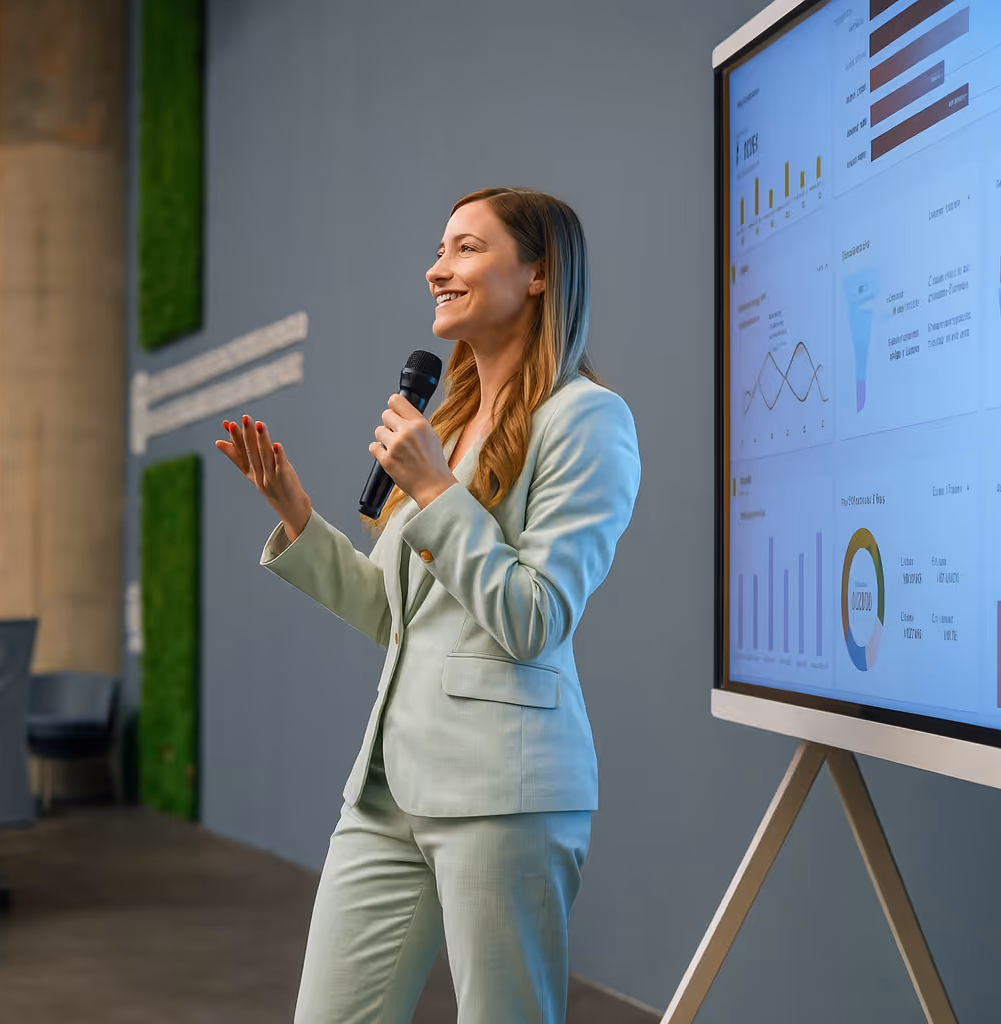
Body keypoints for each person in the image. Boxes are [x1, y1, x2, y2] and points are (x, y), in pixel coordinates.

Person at [215, 187, 641, 1024]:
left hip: (503, 793)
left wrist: (437, 489)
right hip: (386, 788)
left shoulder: (588, 421)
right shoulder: (447, 421)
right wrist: (298, 516)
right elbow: (391, 612)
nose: (436, 268)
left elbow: (534, 618)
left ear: (540, 275)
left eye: (466, 249)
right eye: (441, 250)